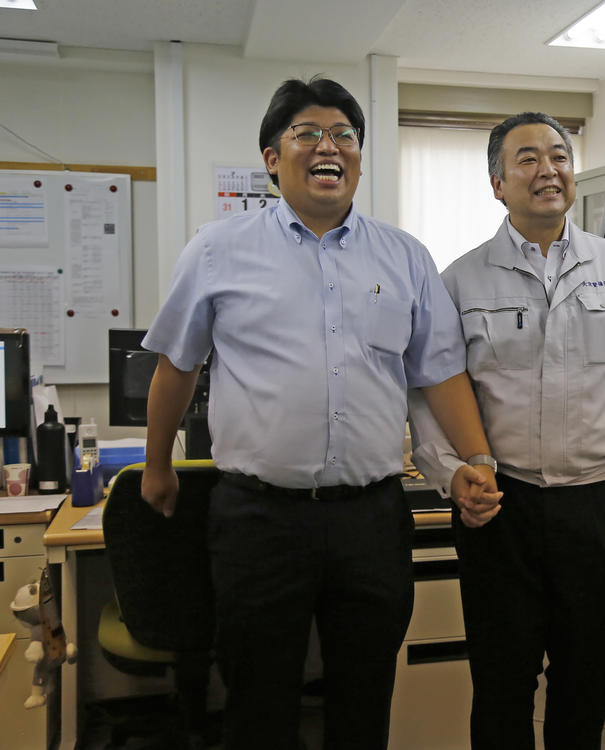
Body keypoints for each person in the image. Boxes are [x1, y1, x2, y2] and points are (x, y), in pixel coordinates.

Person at [140, 76, 500, 750]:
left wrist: (476, 459)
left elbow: (440, 371)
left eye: (344, 135)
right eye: (307, 134)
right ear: (272, 159)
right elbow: (176, 365)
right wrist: (157, 466)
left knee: (363, 699)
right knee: (258, 701)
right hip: (259, 518)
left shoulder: (404, 257)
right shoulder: (218, 250)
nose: (328, 146)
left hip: (370, 516)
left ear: (359, 158)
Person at [408, 112, 605, 750]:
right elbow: (430, 393)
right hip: (500, 509)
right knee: (502, 683)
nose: (548, 170)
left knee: (585, 679)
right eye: (528, 159)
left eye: (558, 155)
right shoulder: (459, 281)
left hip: (596, 507)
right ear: (497, 182)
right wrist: (452, 477)